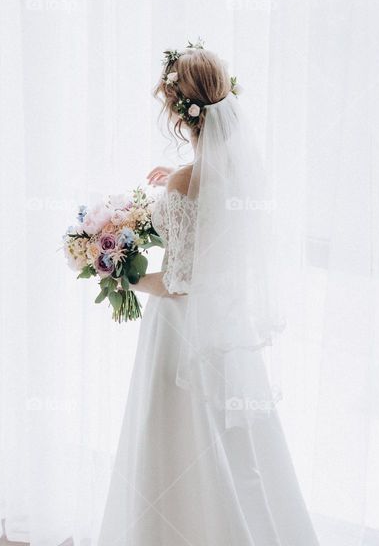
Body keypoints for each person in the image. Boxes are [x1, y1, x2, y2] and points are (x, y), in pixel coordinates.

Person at [97, 45, 319, 545]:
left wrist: (120, 274)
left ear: (180, 113)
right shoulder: (237, 172)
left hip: (179, 332)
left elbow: (176, 282)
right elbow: (210, 237)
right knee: (236, 448)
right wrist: (169, 185)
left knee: (171, 442)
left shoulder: (185, 181)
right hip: (225, 328)